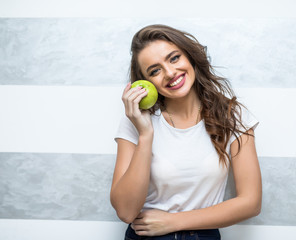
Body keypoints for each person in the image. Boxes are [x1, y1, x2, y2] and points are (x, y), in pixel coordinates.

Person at [110, 24, 262, 240]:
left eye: (174, 58)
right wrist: (145, 135)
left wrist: (173, 222)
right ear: (145, 82)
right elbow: (126, 211)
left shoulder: (232, 115)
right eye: (155, 70)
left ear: (190, 57)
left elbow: (251, 202)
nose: (170, 73)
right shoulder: (135, 121)